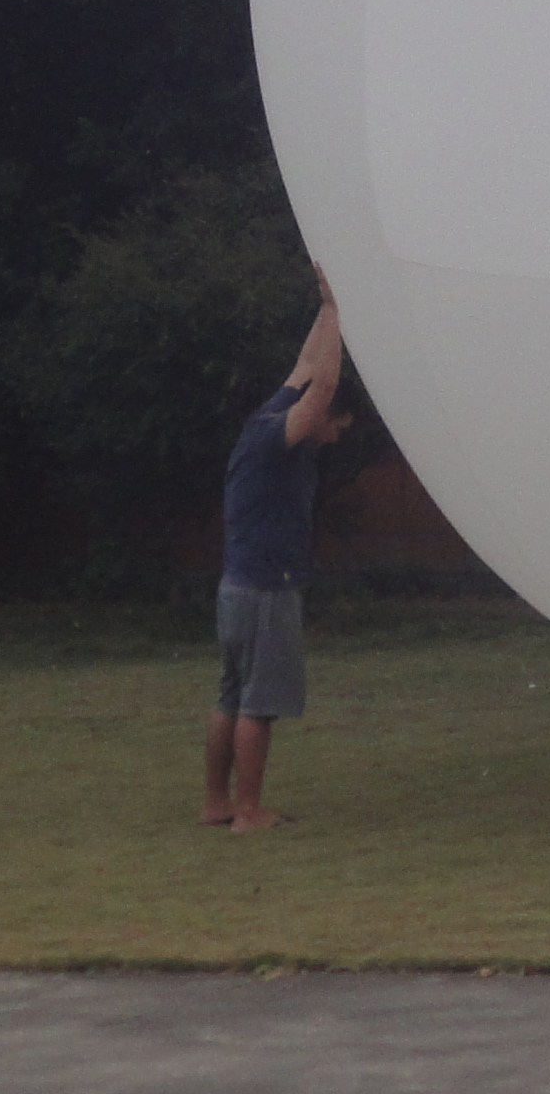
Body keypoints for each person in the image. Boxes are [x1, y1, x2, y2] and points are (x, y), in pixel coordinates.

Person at [201, 275, 351, 830]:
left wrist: (329, 308)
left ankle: (216, 803)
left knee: (230, 697)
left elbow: (308, 365)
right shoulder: (278, 438)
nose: (335, 437)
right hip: (267, 588)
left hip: (235, 588)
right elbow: (324, 384)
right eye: (338, 427)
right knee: (257, 705)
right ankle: (248, 811)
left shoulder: (265, 416)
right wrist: (336, 309)